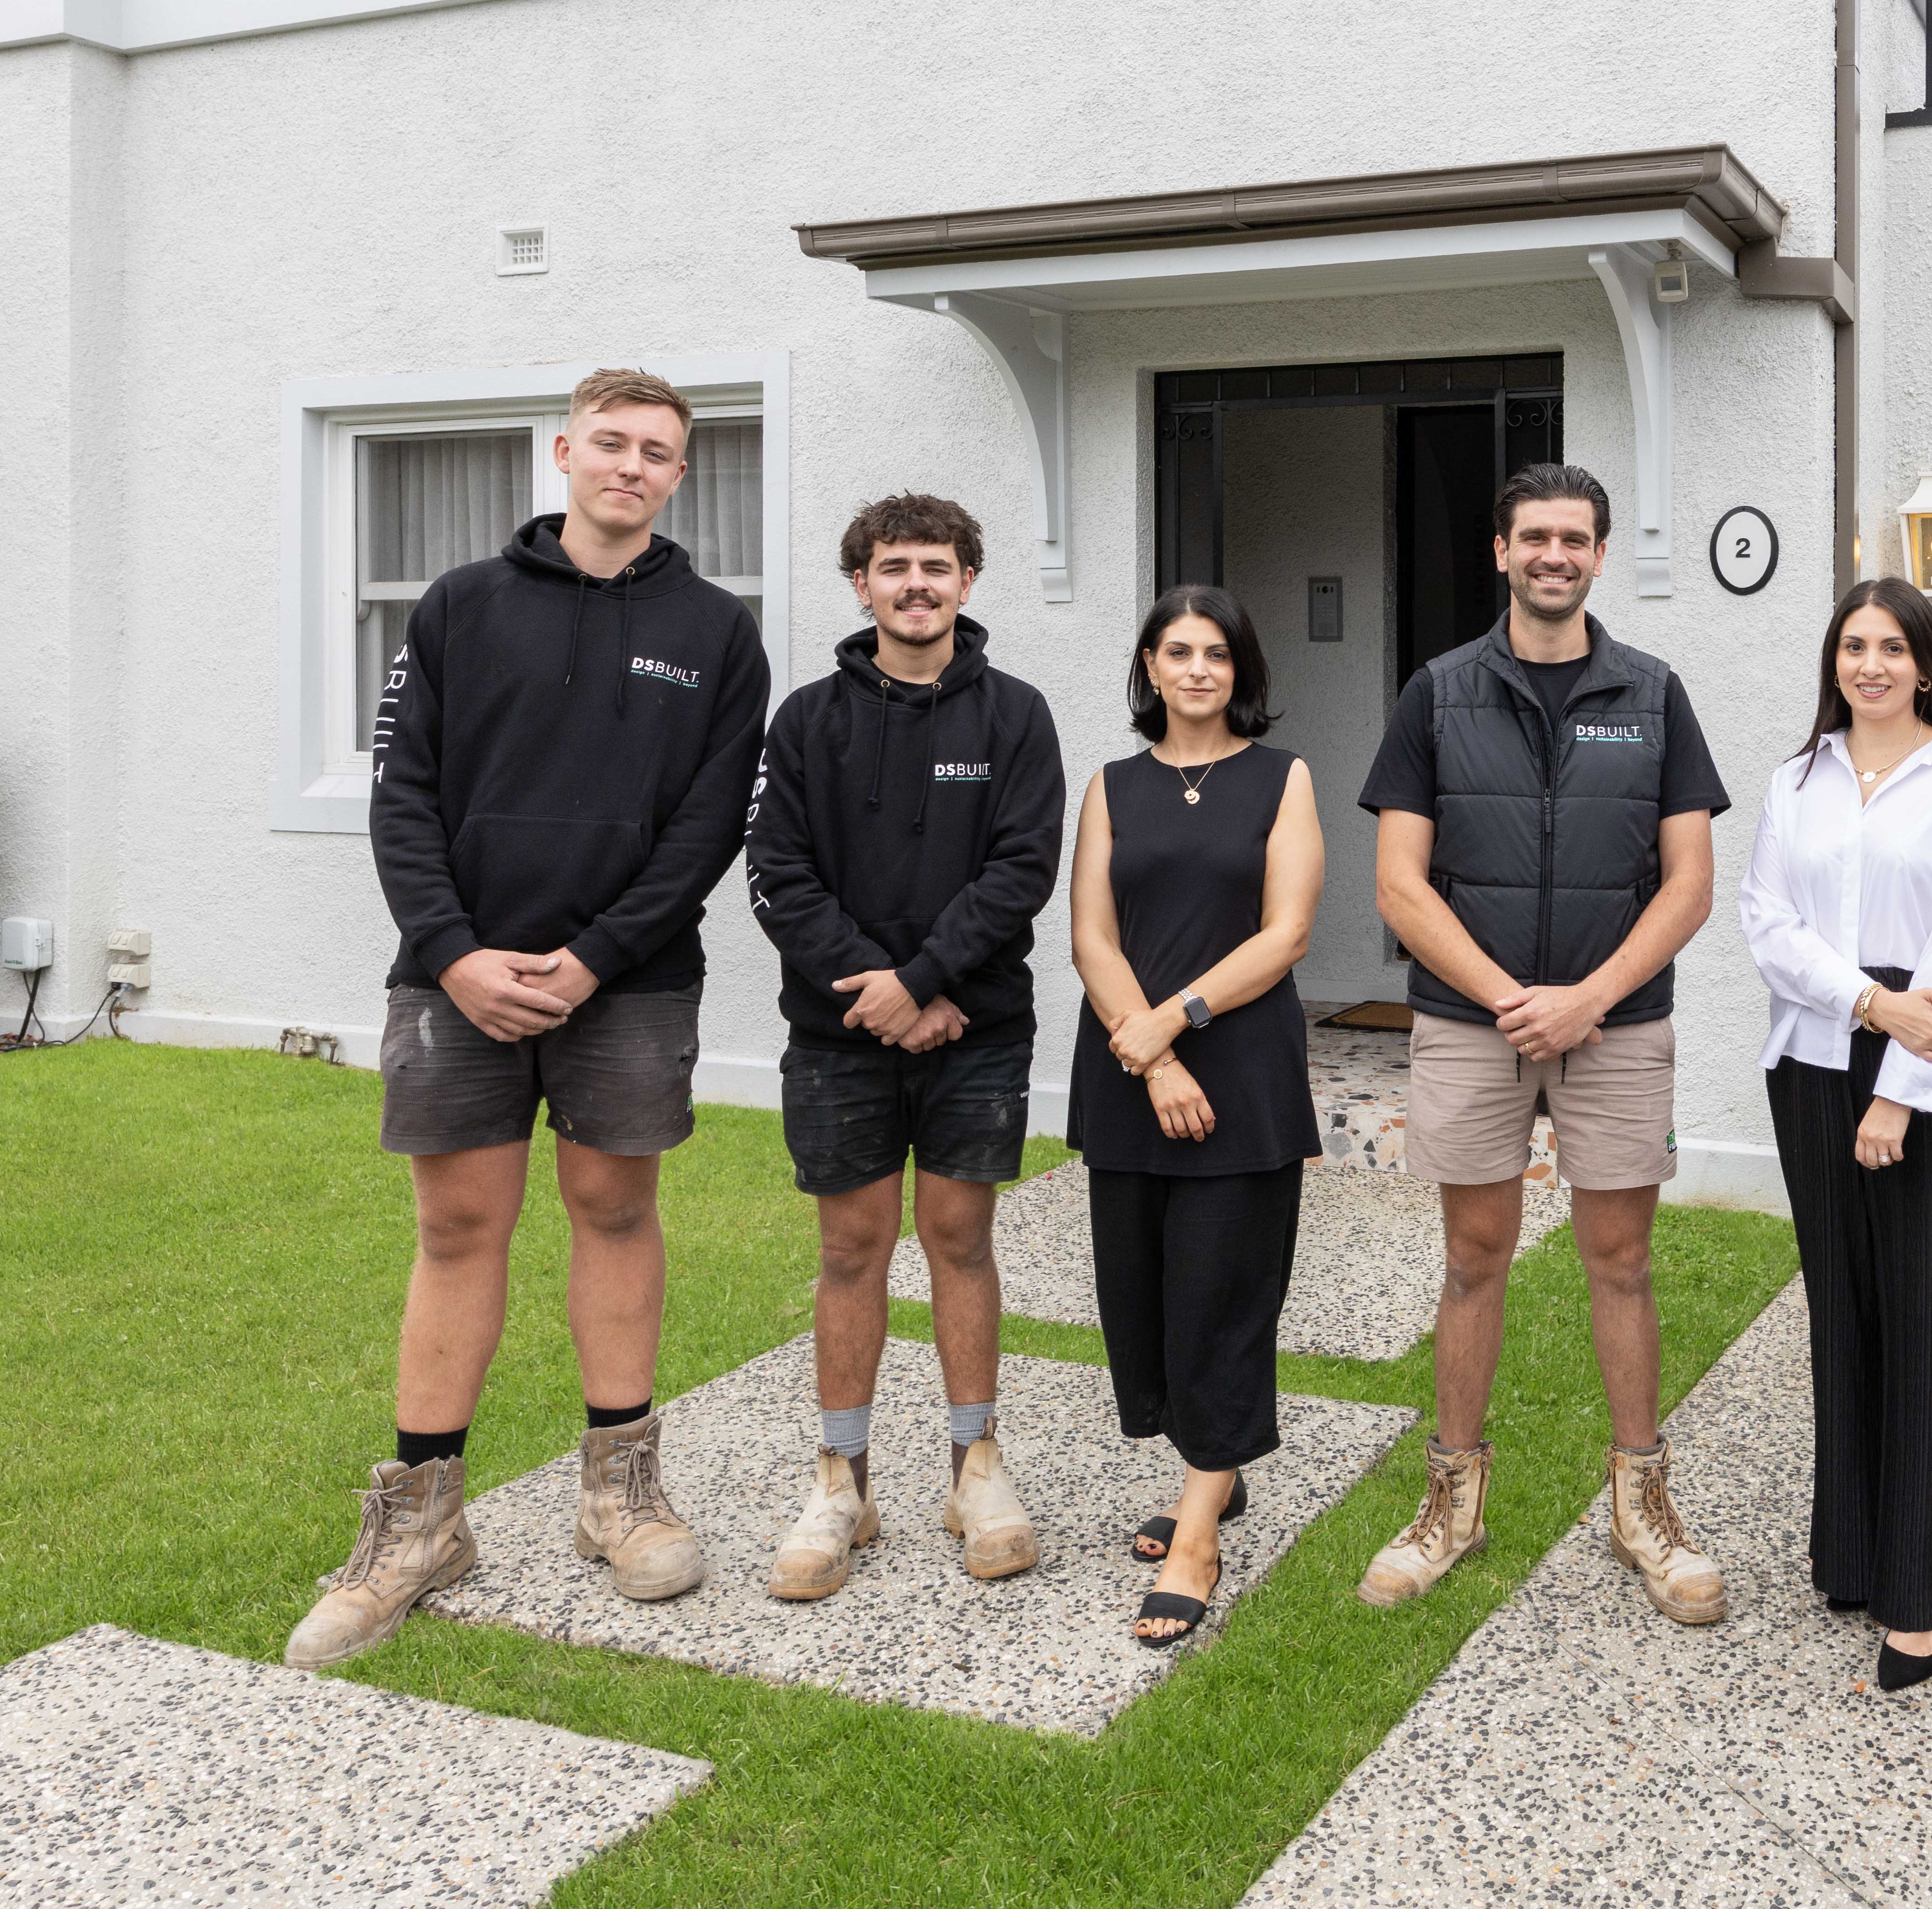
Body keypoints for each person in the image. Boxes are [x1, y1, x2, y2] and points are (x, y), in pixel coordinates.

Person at [289, 366, 770, 1671]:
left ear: (683, 473)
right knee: (457, 1227)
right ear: (563, 452)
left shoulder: (719, 633)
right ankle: (420, 1523)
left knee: (615, 1209)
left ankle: (619, 1493)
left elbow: (709, 824)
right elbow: (404, 798)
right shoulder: (460, 609)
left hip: (632, 981)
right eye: (609, 442)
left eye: (657, 451)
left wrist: (595, 958)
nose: (631, 465)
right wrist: (452, 957)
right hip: (458, 977)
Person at [1355, 462, 1734, 1624]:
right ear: (1502, 552)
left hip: (1616, 1023)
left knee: (1619, 1258)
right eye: (1535, 537)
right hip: (1473, 1024)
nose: (1554, 555)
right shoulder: (1438, 692)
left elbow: (1689, 884)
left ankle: (1642, 1506)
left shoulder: (1655, 693)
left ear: (1601, 556)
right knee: (1474, 1256)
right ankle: (1451, 1504)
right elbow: (1400, 885)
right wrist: (1512, 996)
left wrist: (1587, 998)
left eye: (1574, 538)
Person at [742, 493, 1066, 1601]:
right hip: (838, 1035)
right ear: (861, 584)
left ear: (968, 582)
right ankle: (843, 1479)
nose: (916, 584)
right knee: (851, 1246)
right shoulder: (805, 721)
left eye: (936, 566)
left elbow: (1022, 872)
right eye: (894, 567)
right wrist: (880, 996)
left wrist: (925, 983)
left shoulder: (1017, 717)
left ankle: (976, 1464)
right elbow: (779, 878)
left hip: (975, 1026)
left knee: (961, 1236)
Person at [1738, 579, 1932, 1690]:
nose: (1871, 664)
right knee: (1843, 1311)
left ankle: (1919, 1587)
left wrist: (1899, 1084)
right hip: (1816, 1054)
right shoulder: (1794, 778)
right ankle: (1851, 1550)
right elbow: (1766, 919)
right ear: (1834, 661)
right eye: (1854, 645)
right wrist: (1865, 1001)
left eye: (1892, 646)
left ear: (1925, 664)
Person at [1067, 586, 1324, 1648]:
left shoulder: (1283, 777)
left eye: (1218, 653)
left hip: (1241, 1077)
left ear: (1242, 670)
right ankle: (1214, 1474)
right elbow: (1090, 934)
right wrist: (1149, 1051)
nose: (1198, 670)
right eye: (1178, 651)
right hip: (1130, 1075)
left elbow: (1289, 932)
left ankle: (1197, 1533)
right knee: (1143, 1301)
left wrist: (1171, 1023)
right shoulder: (1112, 783)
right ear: (1149, 665)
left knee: (1222, 1297)